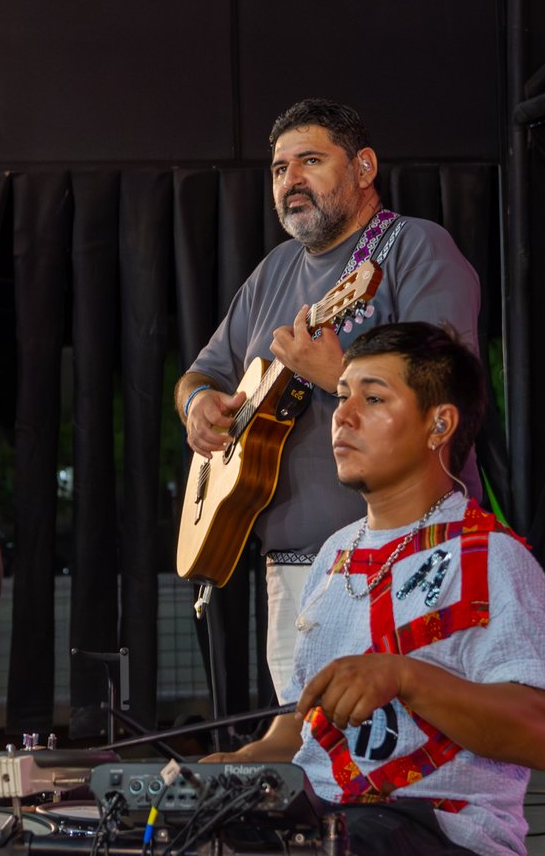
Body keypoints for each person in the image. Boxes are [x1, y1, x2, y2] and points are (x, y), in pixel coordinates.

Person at [198, 321, 545, 856]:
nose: (342, 416)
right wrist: (227, 772)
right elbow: (299, 730)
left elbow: (543, 734)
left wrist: (405, 676)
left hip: (448, 845)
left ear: (439, 424)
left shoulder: (491, 558)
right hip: (331, 823)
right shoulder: (334, 557)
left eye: (372, 398)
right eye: (342, 395)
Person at [178, 99, 482, 702]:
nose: (290, 179)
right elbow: (199, 374)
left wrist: (337, 374)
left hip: (405, 556)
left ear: (364, 167)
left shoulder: (413, 248)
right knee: (308, 748)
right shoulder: (273, 271)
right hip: (292, 572)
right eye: (279, 168)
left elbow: (448, 395)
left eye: (310, 161)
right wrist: (198, 406)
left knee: (409, 743)